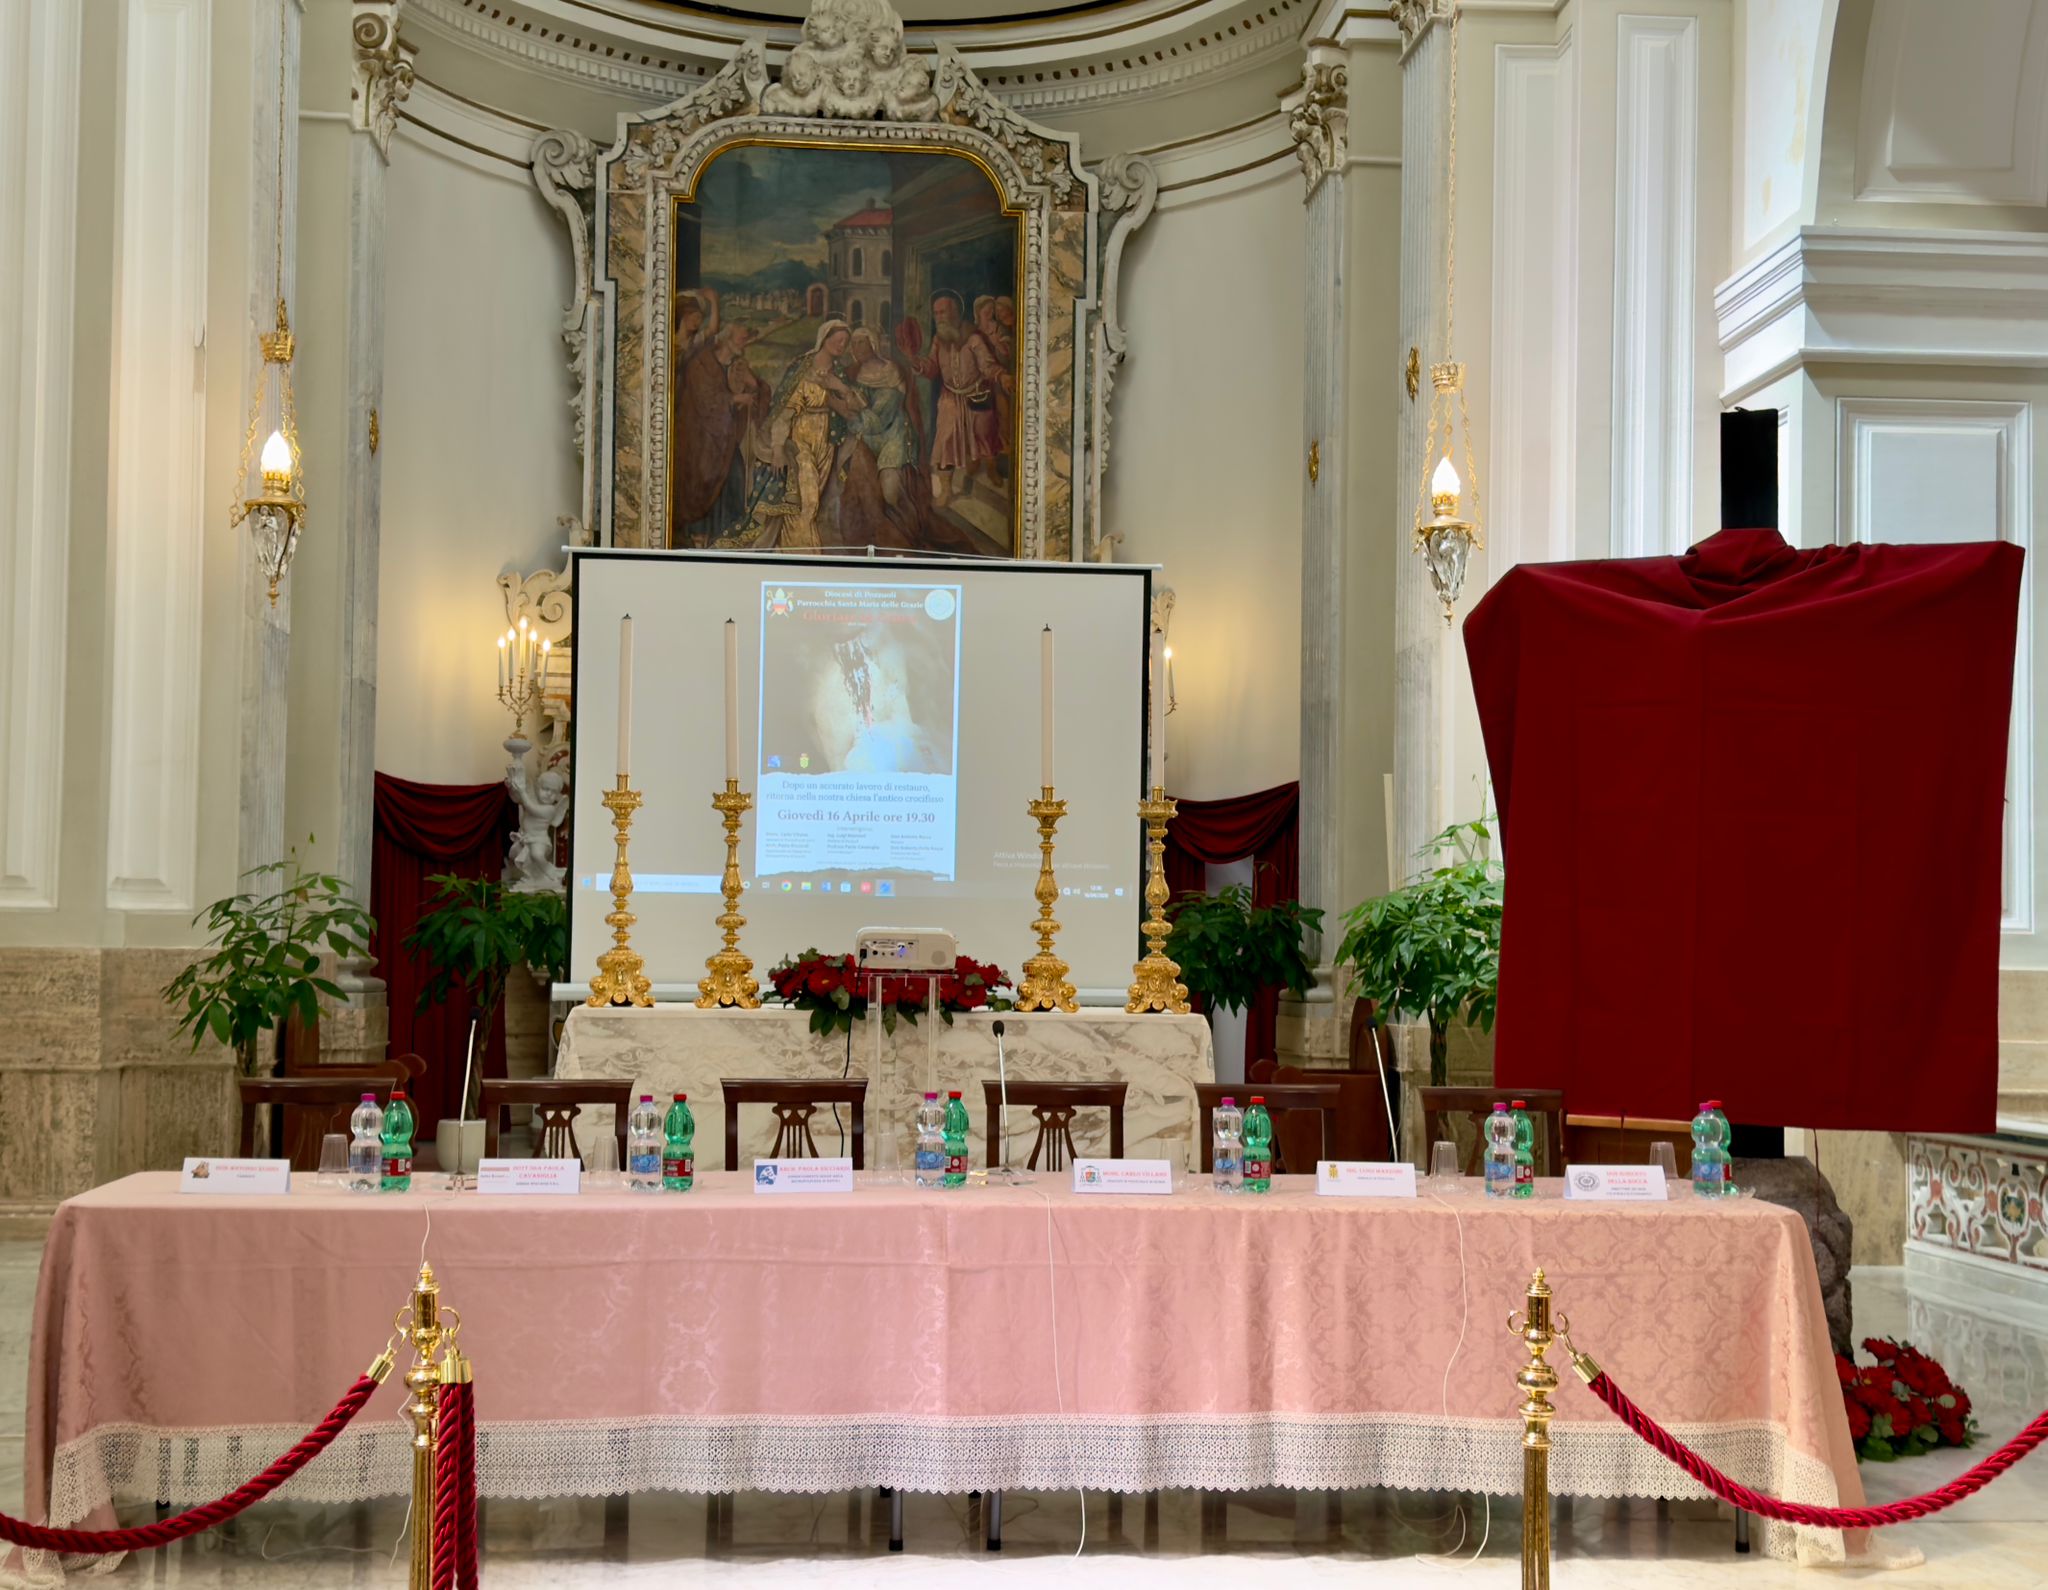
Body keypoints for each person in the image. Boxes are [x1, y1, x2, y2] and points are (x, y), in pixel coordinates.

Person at [742, 319, 862, 549]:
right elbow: (784, 411)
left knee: (812, 505)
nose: (841, 345)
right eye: (838, 340)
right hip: (799, 442)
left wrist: (840, 387)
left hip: (826, 444)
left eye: (845, 342)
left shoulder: (838, 373)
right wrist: (778, 448)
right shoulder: (802, 368)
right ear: (824, 339)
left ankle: (793, 550)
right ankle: (803, 553)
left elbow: (854, 411)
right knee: (807, 501)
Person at [900, 291, 1009, 508]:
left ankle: (991, 469)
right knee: (945, 441)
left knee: (985, 437)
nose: (939, 317)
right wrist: (915, 362)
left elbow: (987, 365)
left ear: (956, 312)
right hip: (950, 398)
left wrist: (1002, 375)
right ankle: (946, 490)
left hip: (977, 395)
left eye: (943, 312)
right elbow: (932, 368)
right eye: (936, 313)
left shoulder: (974, 338)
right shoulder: (938, 341)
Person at [674, 323, 767, 546]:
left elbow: (759, 393)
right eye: (741, 339)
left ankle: (727, 540)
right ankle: (699, 539)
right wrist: (734, 399)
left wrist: (753, 385)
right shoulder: (701, 365)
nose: (745, 344)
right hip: (700, 442)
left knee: (735, 480)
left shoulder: (738, 365)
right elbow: (706, 401)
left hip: (725, 442)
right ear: (726, 339)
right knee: (703, 485)